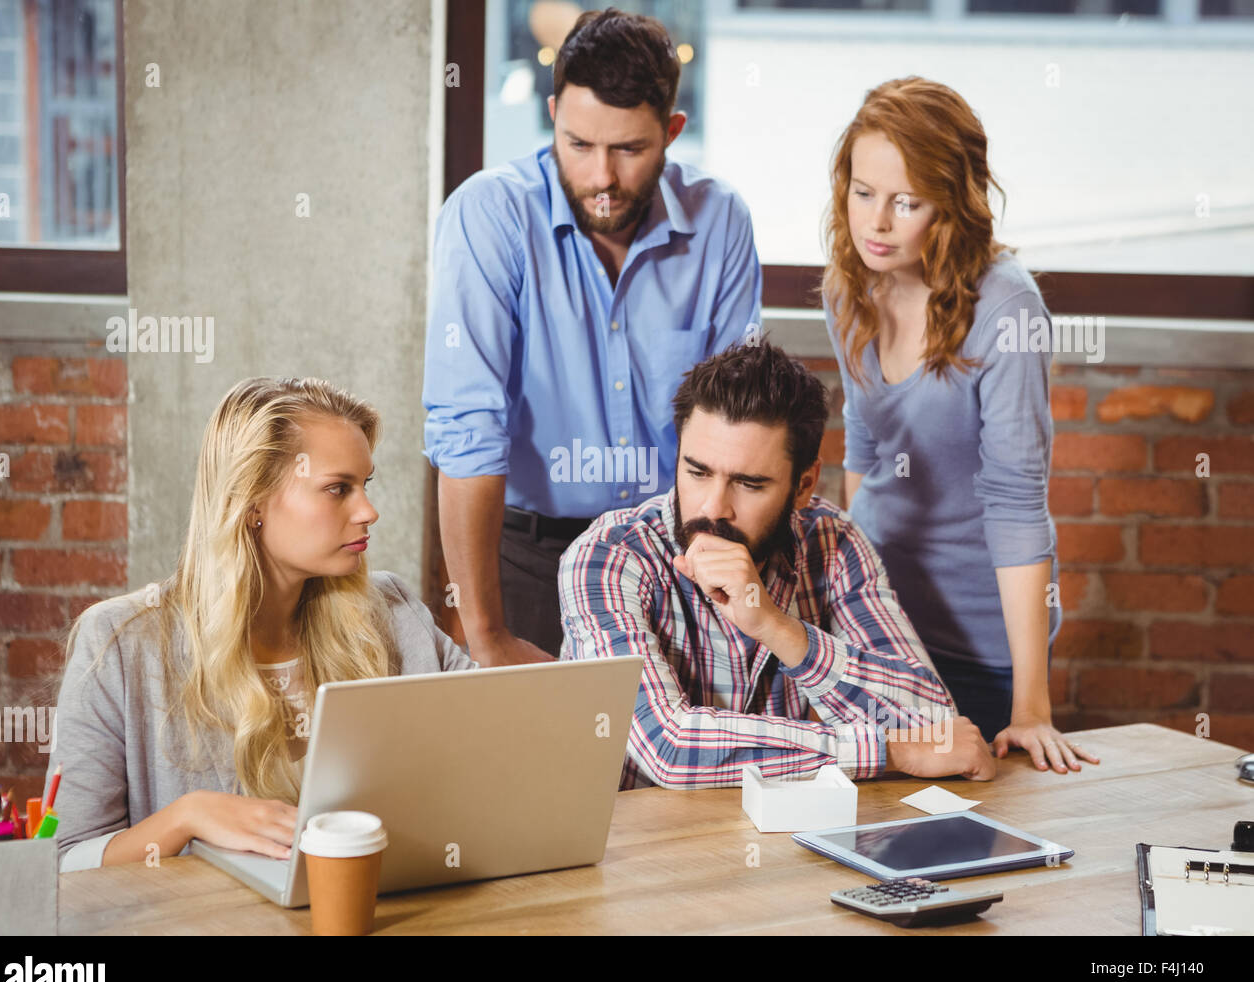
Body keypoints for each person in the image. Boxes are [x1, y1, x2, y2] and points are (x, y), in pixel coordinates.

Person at [422, 7, 761, 667]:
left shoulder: (720, 222)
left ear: (671, 131)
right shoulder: (488, 216)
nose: (602, 178)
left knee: (679, 766)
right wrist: (486, 635)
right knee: (535, 766)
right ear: (553, 114)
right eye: (578, 144)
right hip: (528, 560)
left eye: (629, 150)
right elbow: (468, 428)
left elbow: (736, 425)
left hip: (677, 554)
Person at [48, 378, 474, 871]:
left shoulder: (394, 614)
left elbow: (498, 738)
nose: (368, 511)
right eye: (338, 488)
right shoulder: (119, 645)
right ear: (252, 504)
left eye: (365, 485)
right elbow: (63, 863)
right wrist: (187, 817)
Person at [559, 341, 995, 789]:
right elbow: (670, 748)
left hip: (782, 843)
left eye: (749, 484)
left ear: (803, 486)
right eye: (697, 472)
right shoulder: (608, 556)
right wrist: (890, 751)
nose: (714, 508)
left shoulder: (833, 541)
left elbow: (936, 726)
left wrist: (776, 627)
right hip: (642, 848)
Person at [820, 77, 1098, 773]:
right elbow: (865, 453)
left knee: (972, 849)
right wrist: (860, 606)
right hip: (879, 636)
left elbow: (1015, 502)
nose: (876, 223)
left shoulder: (1007, 308)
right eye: (863, 193)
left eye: (906, 202)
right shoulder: (849, 287)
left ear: (950, 201)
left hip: (978, 644)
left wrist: (1032, 708)